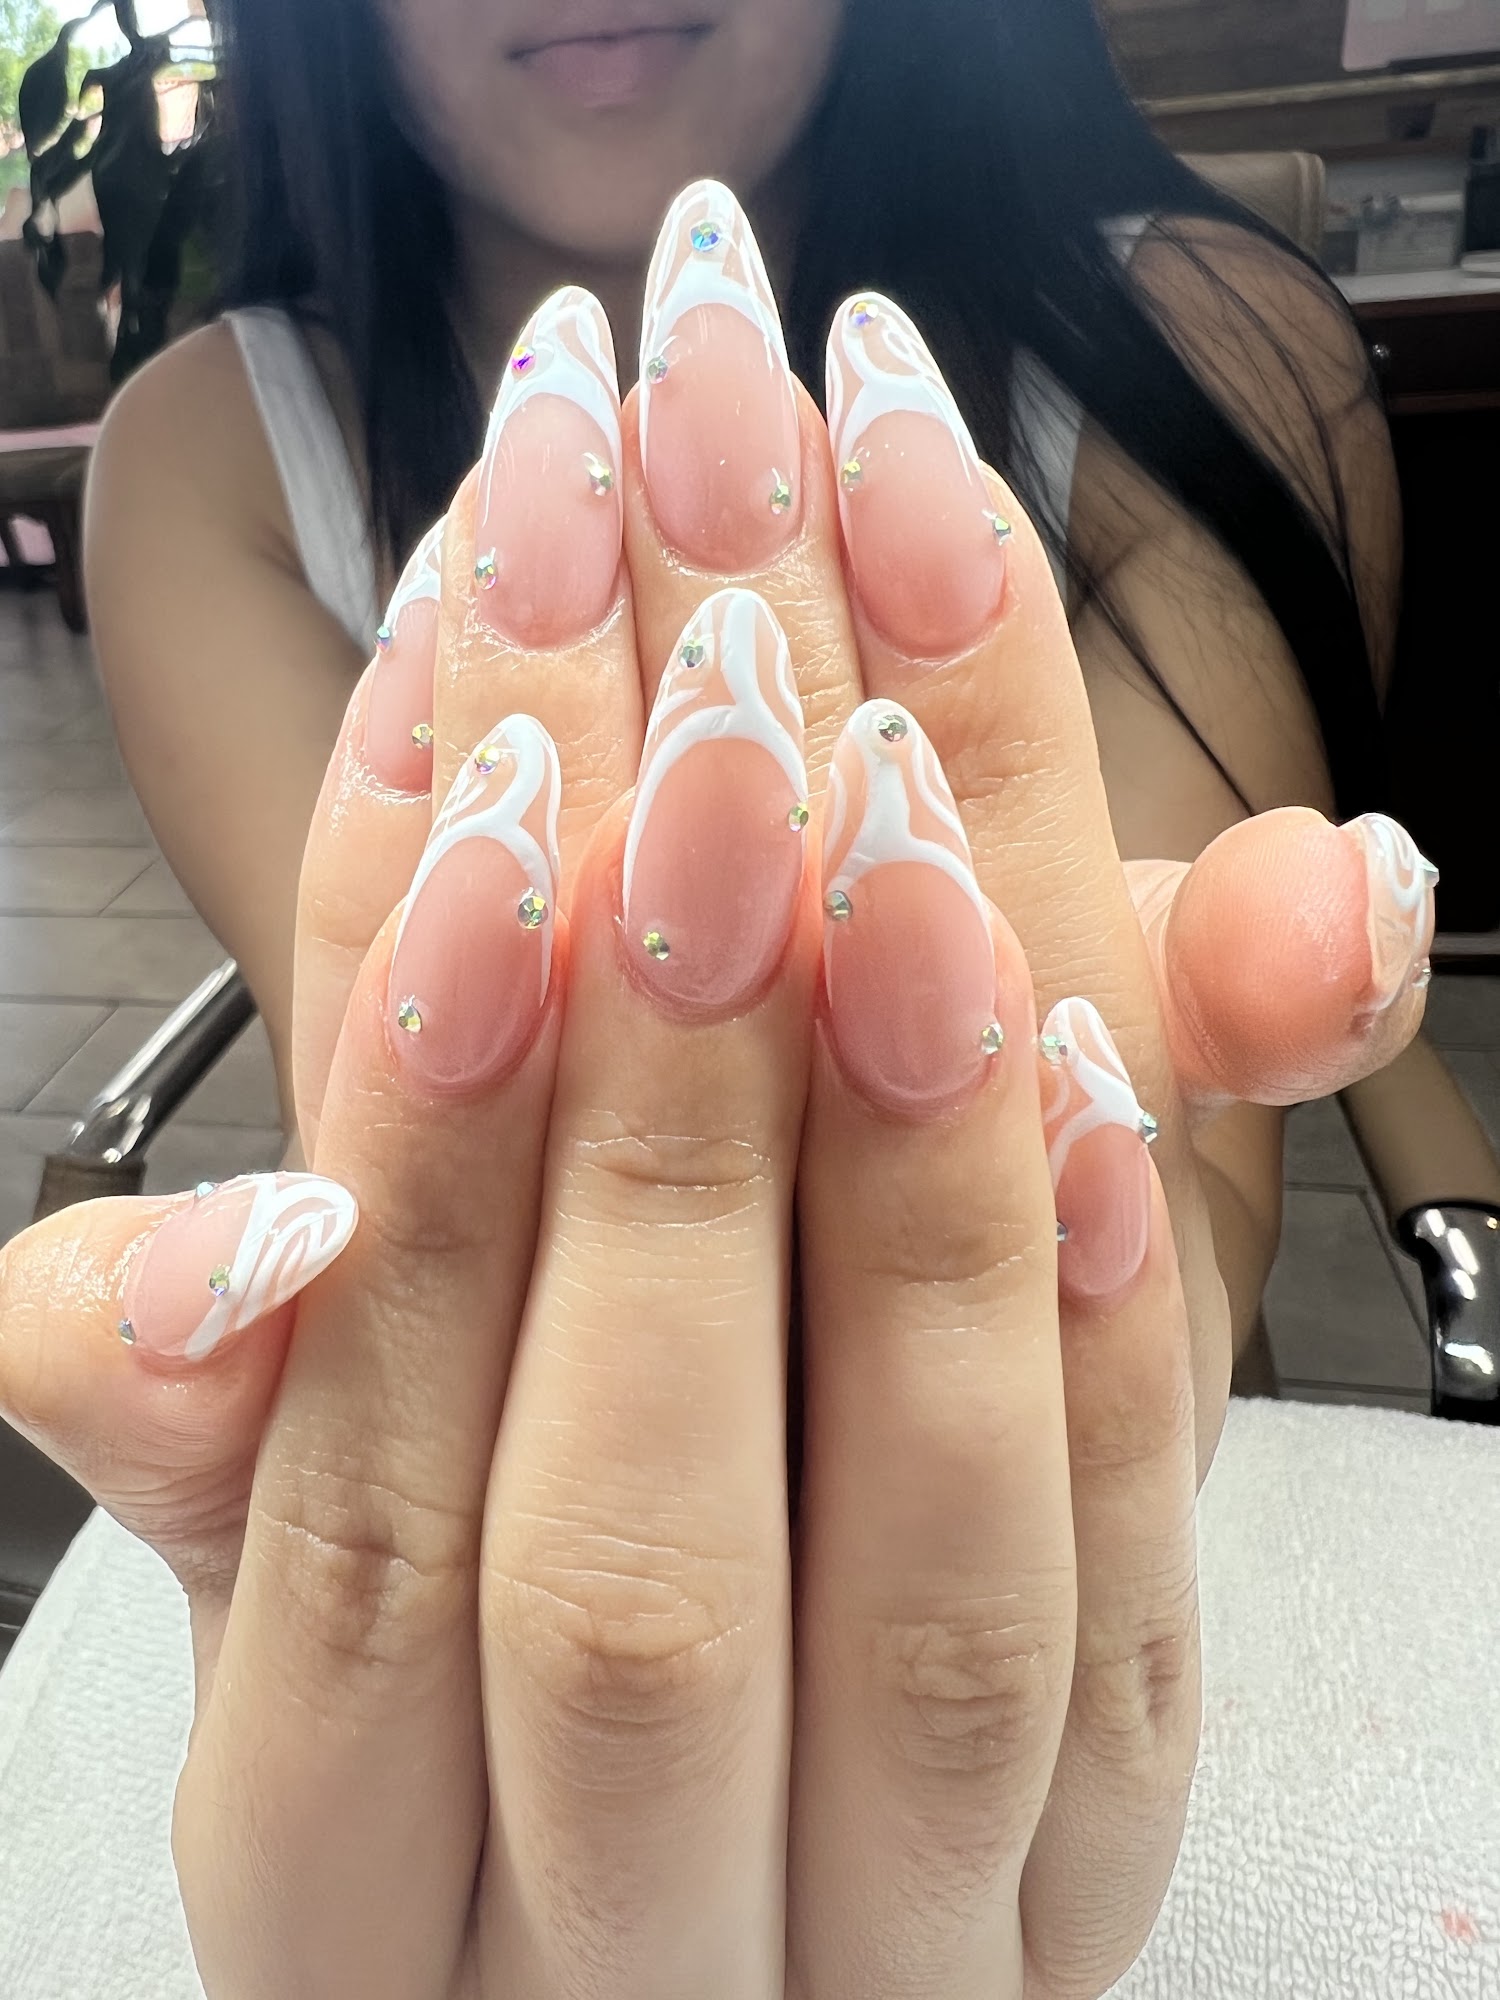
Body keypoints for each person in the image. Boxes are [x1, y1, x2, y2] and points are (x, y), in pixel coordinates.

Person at [0, 0, 1461, 1990]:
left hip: (1128, 1577)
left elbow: (1175, 1192)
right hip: (499, 1509)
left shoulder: (1203, 346)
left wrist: (1101, 1266)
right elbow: (419, 1132)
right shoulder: (205, 452)